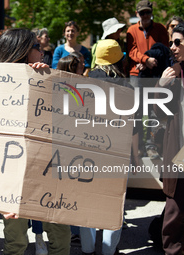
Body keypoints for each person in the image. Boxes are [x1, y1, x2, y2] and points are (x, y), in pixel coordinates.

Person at [0, 28, 71, 255]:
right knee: (15, 243)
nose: (42, 51)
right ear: (20, 50)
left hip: (49, 169)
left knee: (61, 236)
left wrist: (45, 82)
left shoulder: (48, 76)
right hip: (11, 174)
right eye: (36, 46)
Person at [78, 40, 138, 255]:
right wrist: (136, 158)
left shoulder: (83, 83)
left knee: (86, 203)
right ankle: (108, 251)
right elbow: (134, 128)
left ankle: (86, 249)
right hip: (117, 155)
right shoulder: (127, 88)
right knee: (113, 205)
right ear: (119, 60)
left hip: (86, 151)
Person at [154, 22, 184, 255]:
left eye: (177, 42)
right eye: (171, 42)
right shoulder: (173, 73)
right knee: (175, 212)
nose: (171, 47)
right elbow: (158, 114)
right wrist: (161, 87)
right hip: (181, 153)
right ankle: (173, 251)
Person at [127, 0, 169, 88]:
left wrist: (148, 62)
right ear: (137, 13)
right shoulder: (131, 30)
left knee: (156, 100)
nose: (145, 15)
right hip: (137, 71)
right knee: (136, 100)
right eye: (142, 13)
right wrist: (145, 60)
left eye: (148, 12)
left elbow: (164, 49)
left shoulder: (161, 28)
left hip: (156, 71)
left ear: (151, 12)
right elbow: (132, 51)